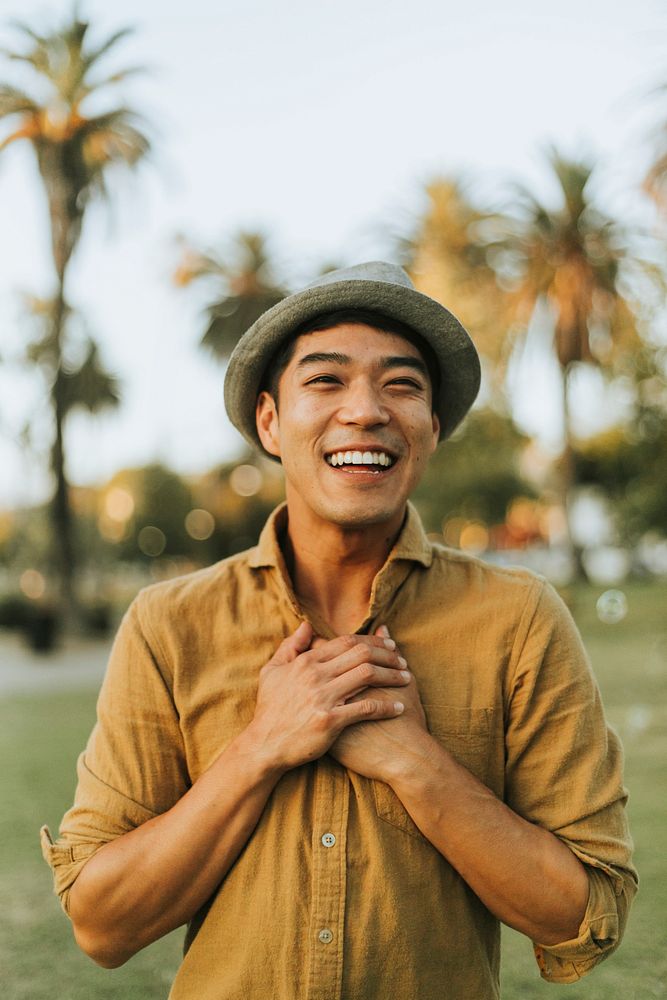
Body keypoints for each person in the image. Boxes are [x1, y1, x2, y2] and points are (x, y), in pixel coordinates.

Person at [42, 261, 636, 999]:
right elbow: (103, 928)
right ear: (269, 421)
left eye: (401, 384)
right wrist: (262, 747)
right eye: (325, 381)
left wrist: (414, 763)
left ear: (433, 426)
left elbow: (580, 914)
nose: (364, 410)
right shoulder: (169, 625)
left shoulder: (518, 618)